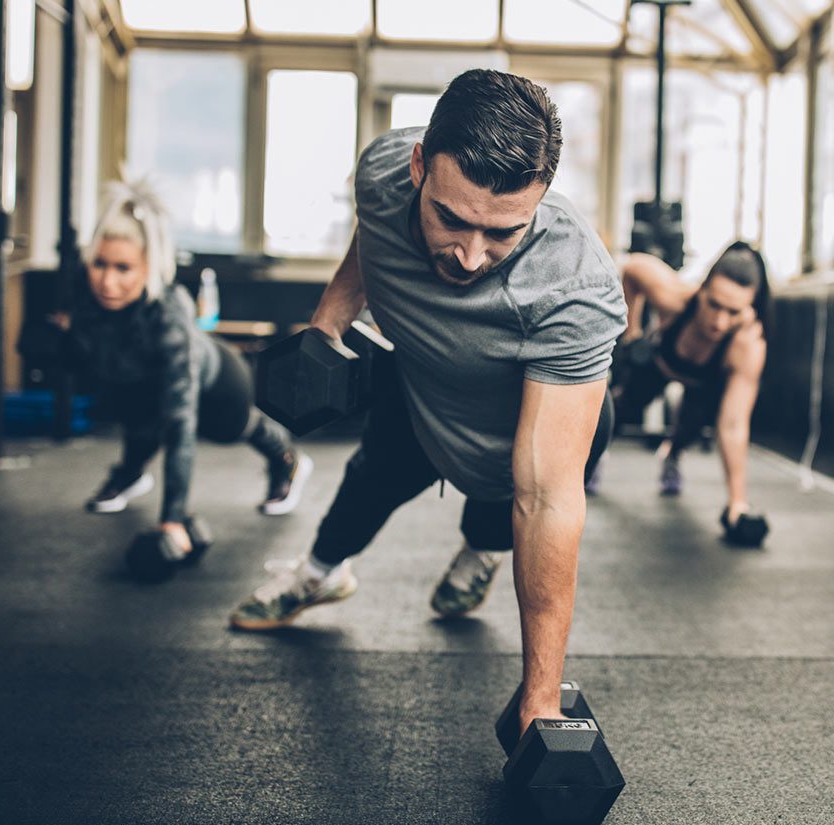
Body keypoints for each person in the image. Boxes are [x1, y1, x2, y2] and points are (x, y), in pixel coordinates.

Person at [230, 69, 627, 734]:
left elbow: (549, 499)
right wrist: (329, 319)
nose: (471, 257)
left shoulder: (574, 289)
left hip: (522, 417)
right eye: (451, 219)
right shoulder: (384, 168)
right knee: (371, 477)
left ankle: (481, 553)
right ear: (419, 168)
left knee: (513, 499)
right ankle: (321, 573)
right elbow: (376, 234)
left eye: (502, 233)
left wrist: (541, 702)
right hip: (420, 384)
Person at [54, 179, 312, 554]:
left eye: (123, 268)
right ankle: (132, 472)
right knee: (133, 399)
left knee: (230, 427)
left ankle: (287, 460)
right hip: (146, 382)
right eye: (100, 264)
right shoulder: (87, 298)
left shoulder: (168, 321)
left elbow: (179, 425)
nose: (108, 281)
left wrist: (173, 519)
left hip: (221, 381)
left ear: (148, 268)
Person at [596, 242, 769, 531]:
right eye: (713, 304)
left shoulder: (747, 345)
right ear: (702, 288)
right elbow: (633, 268)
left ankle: (672, 456)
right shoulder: (674, 297)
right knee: (620, 409)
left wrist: (737, 502)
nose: (719, 321)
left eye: (733, 311)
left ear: (749, 308)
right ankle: (595, 458)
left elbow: (734, 425)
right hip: (659, 362)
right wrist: (631, 333)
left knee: (688, 430)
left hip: (703, 384)